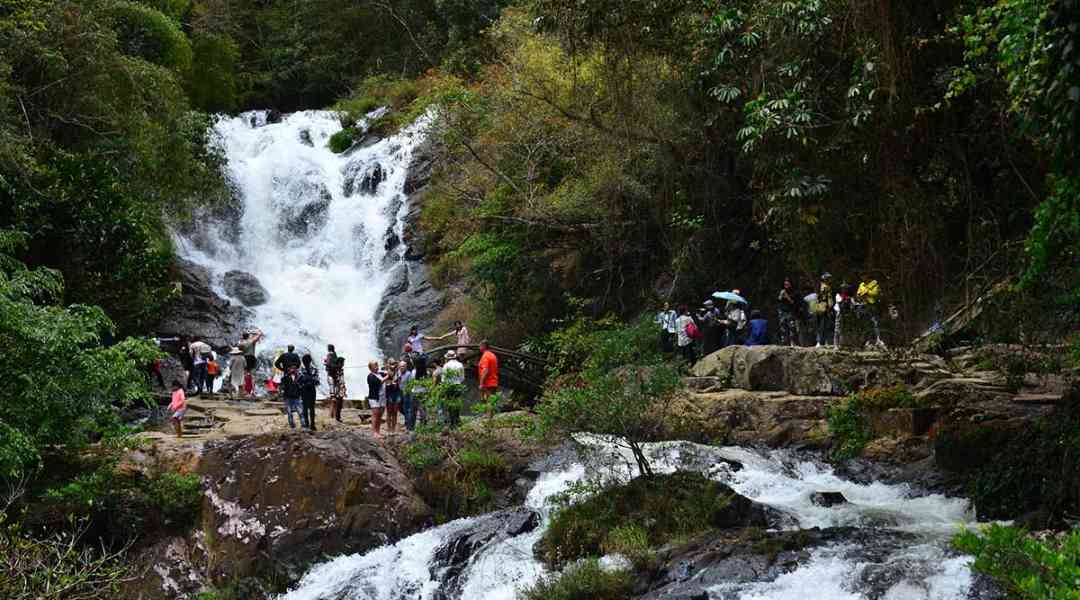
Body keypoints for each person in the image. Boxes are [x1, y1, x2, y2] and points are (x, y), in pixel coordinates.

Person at [856, 273, 884, 347]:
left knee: (875, 322)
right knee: (866, 324)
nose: (863, 278)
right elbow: (858, 293)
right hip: (864, 305)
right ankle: (868, 340)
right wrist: (860, 294)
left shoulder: (874, 284)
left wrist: (867, 292)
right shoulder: (861, 284)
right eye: (862, 276)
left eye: (864, 276)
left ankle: (879, 339)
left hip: (873, 305)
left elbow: (875, 293)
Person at [442, 350, 466, 427]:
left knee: (450, 404)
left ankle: (452, 422)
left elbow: (443, 379)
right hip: (458, 385)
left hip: (449, 386)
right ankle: (457, 419)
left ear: (448, 358)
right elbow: (462, 378)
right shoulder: (460, 364)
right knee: (457, 403)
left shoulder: (446, 366)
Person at [367, 361, 388, 438]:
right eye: (374, 366)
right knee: (375, 414)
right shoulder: (370, 376)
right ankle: (374, 432)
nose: (376, 367)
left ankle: (378, 431)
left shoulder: (380, 374)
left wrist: (390, 368)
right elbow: (380, 382)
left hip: (382, 397)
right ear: (370, 368)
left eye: (377, 365)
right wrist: (388, 376)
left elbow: (390, 374)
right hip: (374, 398)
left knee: (380, 415)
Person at [298, 354, 320, 431]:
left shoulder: (301, 369)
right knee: (308, 407)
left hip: (308, 389)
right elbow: (317, 381)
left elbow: (298, 381)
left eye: (306, 362)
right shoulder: (313, 369)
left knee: (309, 407)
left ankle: (310, 424)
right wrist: (311, 380)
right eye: (305, 362)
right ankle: (309, 424)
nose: (306, 363)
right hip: (307, 389)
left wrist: (307, 381)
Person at [777, 278, 800, 347]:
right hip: (782, 312)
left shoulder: (794, 292)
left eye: (787, 284)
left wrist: (787, 296)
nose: (786, 285)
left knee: (792, 328)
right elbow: (778, 300)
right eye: (785, 284)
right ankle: (784, 343)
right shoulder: (781, 292)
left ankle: (793, 343)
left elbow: (793, 302)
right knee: (783, 328)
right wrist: (781, 295)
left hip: (790, 312)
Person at [814, 273, 835, 348]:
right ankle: (819, 341)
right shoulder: (823, 286)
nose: (829, 280)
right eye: (828, 278)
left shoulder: (826, 286)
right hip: (822, 305)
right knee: (821, 324)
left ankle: (822, 341)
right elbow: (823, 297)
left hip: (824, 306)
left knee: (824, 324)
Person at [384, 358, 402, 433]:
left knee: (395, 412)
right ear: (388, 364)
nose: (393, 365)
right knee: (389, 412)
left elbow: (400, 382)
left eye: (394, 364)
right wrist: (391, 383)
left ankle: (393, 429)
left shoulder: (398, 372)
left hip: (396, 393)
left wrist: (397, 382)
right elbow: (384, 384)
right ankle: (389, 429)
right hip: (389, 393)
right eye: (391, 364)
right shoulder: (385, 372)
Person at [835, 283, 854, 348]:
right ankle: (836, 345)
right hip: (840, 313)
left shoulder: (850, 297)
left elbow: (852, 305)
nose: (845, 290)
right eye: (843, 288)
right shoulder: (838, 295)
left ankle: (845, 343)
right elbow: (840, 302)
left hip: (848, 314)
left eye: (846, 288)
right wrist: (846, 298)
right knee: (838, 329)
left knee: (847, 329)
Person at [400, 359, 417, 431]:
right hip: (400, 394)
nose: (402, 367)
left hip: (407, 394)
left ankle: (409, 425)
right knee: (402, 409)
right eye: (400, 366)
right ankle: (407, 422)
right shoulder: (398, 373)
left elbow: (411, 385)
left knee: (407, 409)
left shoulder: (409, 374)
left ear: (406, 366)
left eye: (403, 366)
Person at [329, 356, 347, 422]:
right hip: (336, 389)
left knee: (340, 404)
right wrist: (332, 394)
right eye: (342, 363)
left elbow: (342, 379)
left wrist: (344, 388)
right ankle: (333, 417)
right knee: (335, 403)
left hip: (340, 389)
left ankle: (338, 417)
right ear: (339, 363)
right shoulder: (333, 371)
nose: (343, 364)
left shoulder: (341, 370)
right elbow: (332, 382)